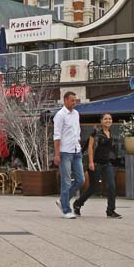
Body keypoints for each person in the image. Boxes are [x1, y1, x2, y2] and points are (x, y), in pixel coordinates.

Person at [73, 113, 121, 218]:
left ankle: (110, 211)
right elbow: (90, 147)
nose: (108, 120)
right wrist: (90, 162)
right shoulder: (95, 133)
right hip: (96, 163)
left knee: (112, 186)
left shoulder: (110, 133)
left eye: (110, 119)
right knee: (93, 188)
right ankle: (78, 204)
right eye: (105, 119)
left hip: (107, 163)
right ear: (101, 121)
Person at [53, 91, 85, 219]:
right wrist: (56, 154)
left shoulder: (76, 114)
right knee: (66, 181)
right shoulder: (60, 115)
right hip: (65, 151)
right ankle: (66, 210)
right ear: (65, 100)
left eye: (75, 100)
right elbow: (57, 135)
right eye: (72, 100)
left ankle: (62, 200)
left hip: (76, 150)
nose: (74, 103)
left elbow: (77, 132)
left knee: (80, 179)